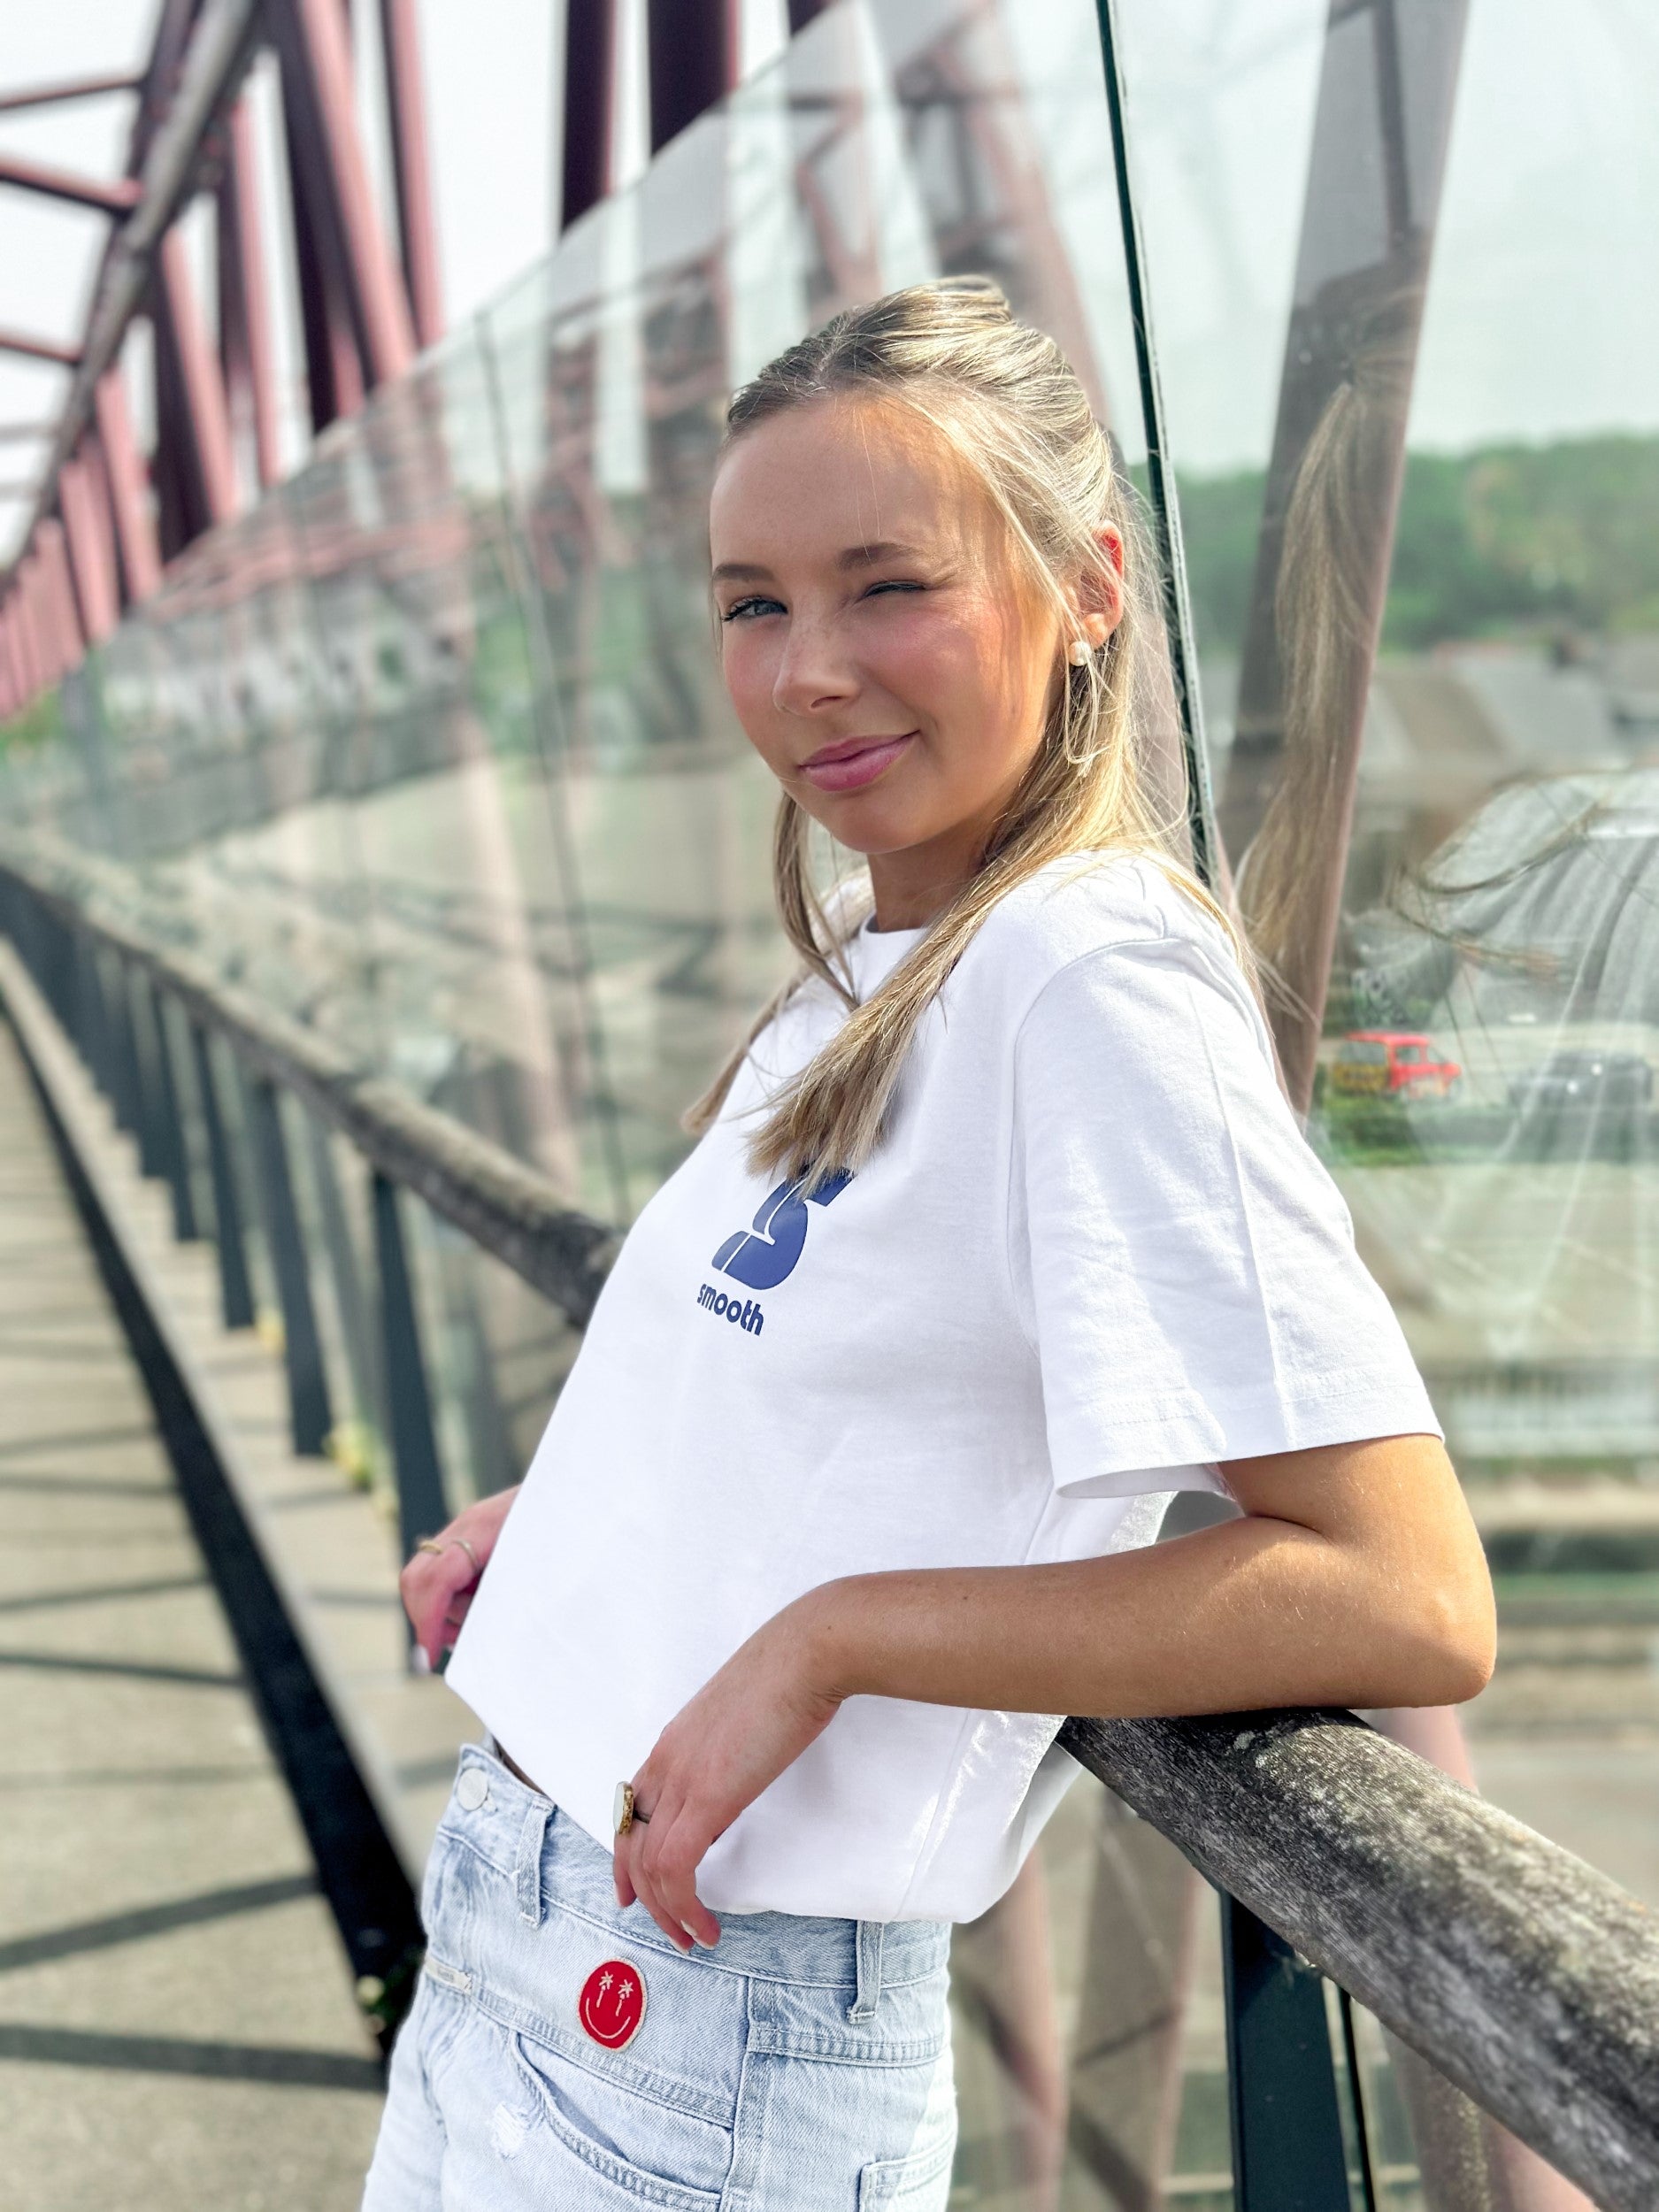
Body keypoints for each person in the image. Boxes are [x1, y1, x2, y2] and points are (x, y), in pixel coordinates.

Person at [363, 279, 1494, 2212]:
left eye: (888, 585)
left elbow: (1399, 1591)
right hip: (529, 1934)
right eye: (751, 600)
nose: (807, 669)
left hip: (703, 2030)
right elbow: (822, 1366)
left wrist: (835, 1639)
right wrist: (570, 1524)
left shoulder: (1087, 974)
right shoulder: (880, 959)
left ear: (1086, 589)